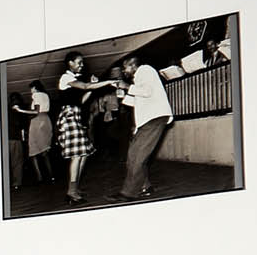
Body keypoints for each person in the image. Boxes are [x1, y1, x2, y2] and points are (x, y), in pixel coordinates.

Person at [113, 53, 174, 201]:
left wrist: (127, 86)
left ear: (133, 65)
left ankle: (129, 193)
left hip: (154, 117)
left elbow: (146, 92)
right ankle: (145, 187)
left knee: (137, 156)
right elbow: (133, 100)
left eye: (125, 68)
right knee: (135, 154)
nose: (124, 71)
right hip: (148, 119)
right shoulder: (139, 78)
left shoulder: (145, 70)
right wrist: (122, 94)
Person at [56, 54, 103, 204]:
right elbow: (85, 86)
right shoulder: (66, 77)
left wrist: (92, 87)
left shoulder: (74, 80)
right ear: (70, 63)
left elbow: (81, 100)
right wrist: (107, 82)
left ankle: (74, 188)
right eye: (79, 62)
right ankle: (71, 193)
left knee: (84, 154)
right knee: (77, 155)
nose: (82, 65)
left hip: (75, 115)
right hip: (69, 117)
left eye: (82, 62)